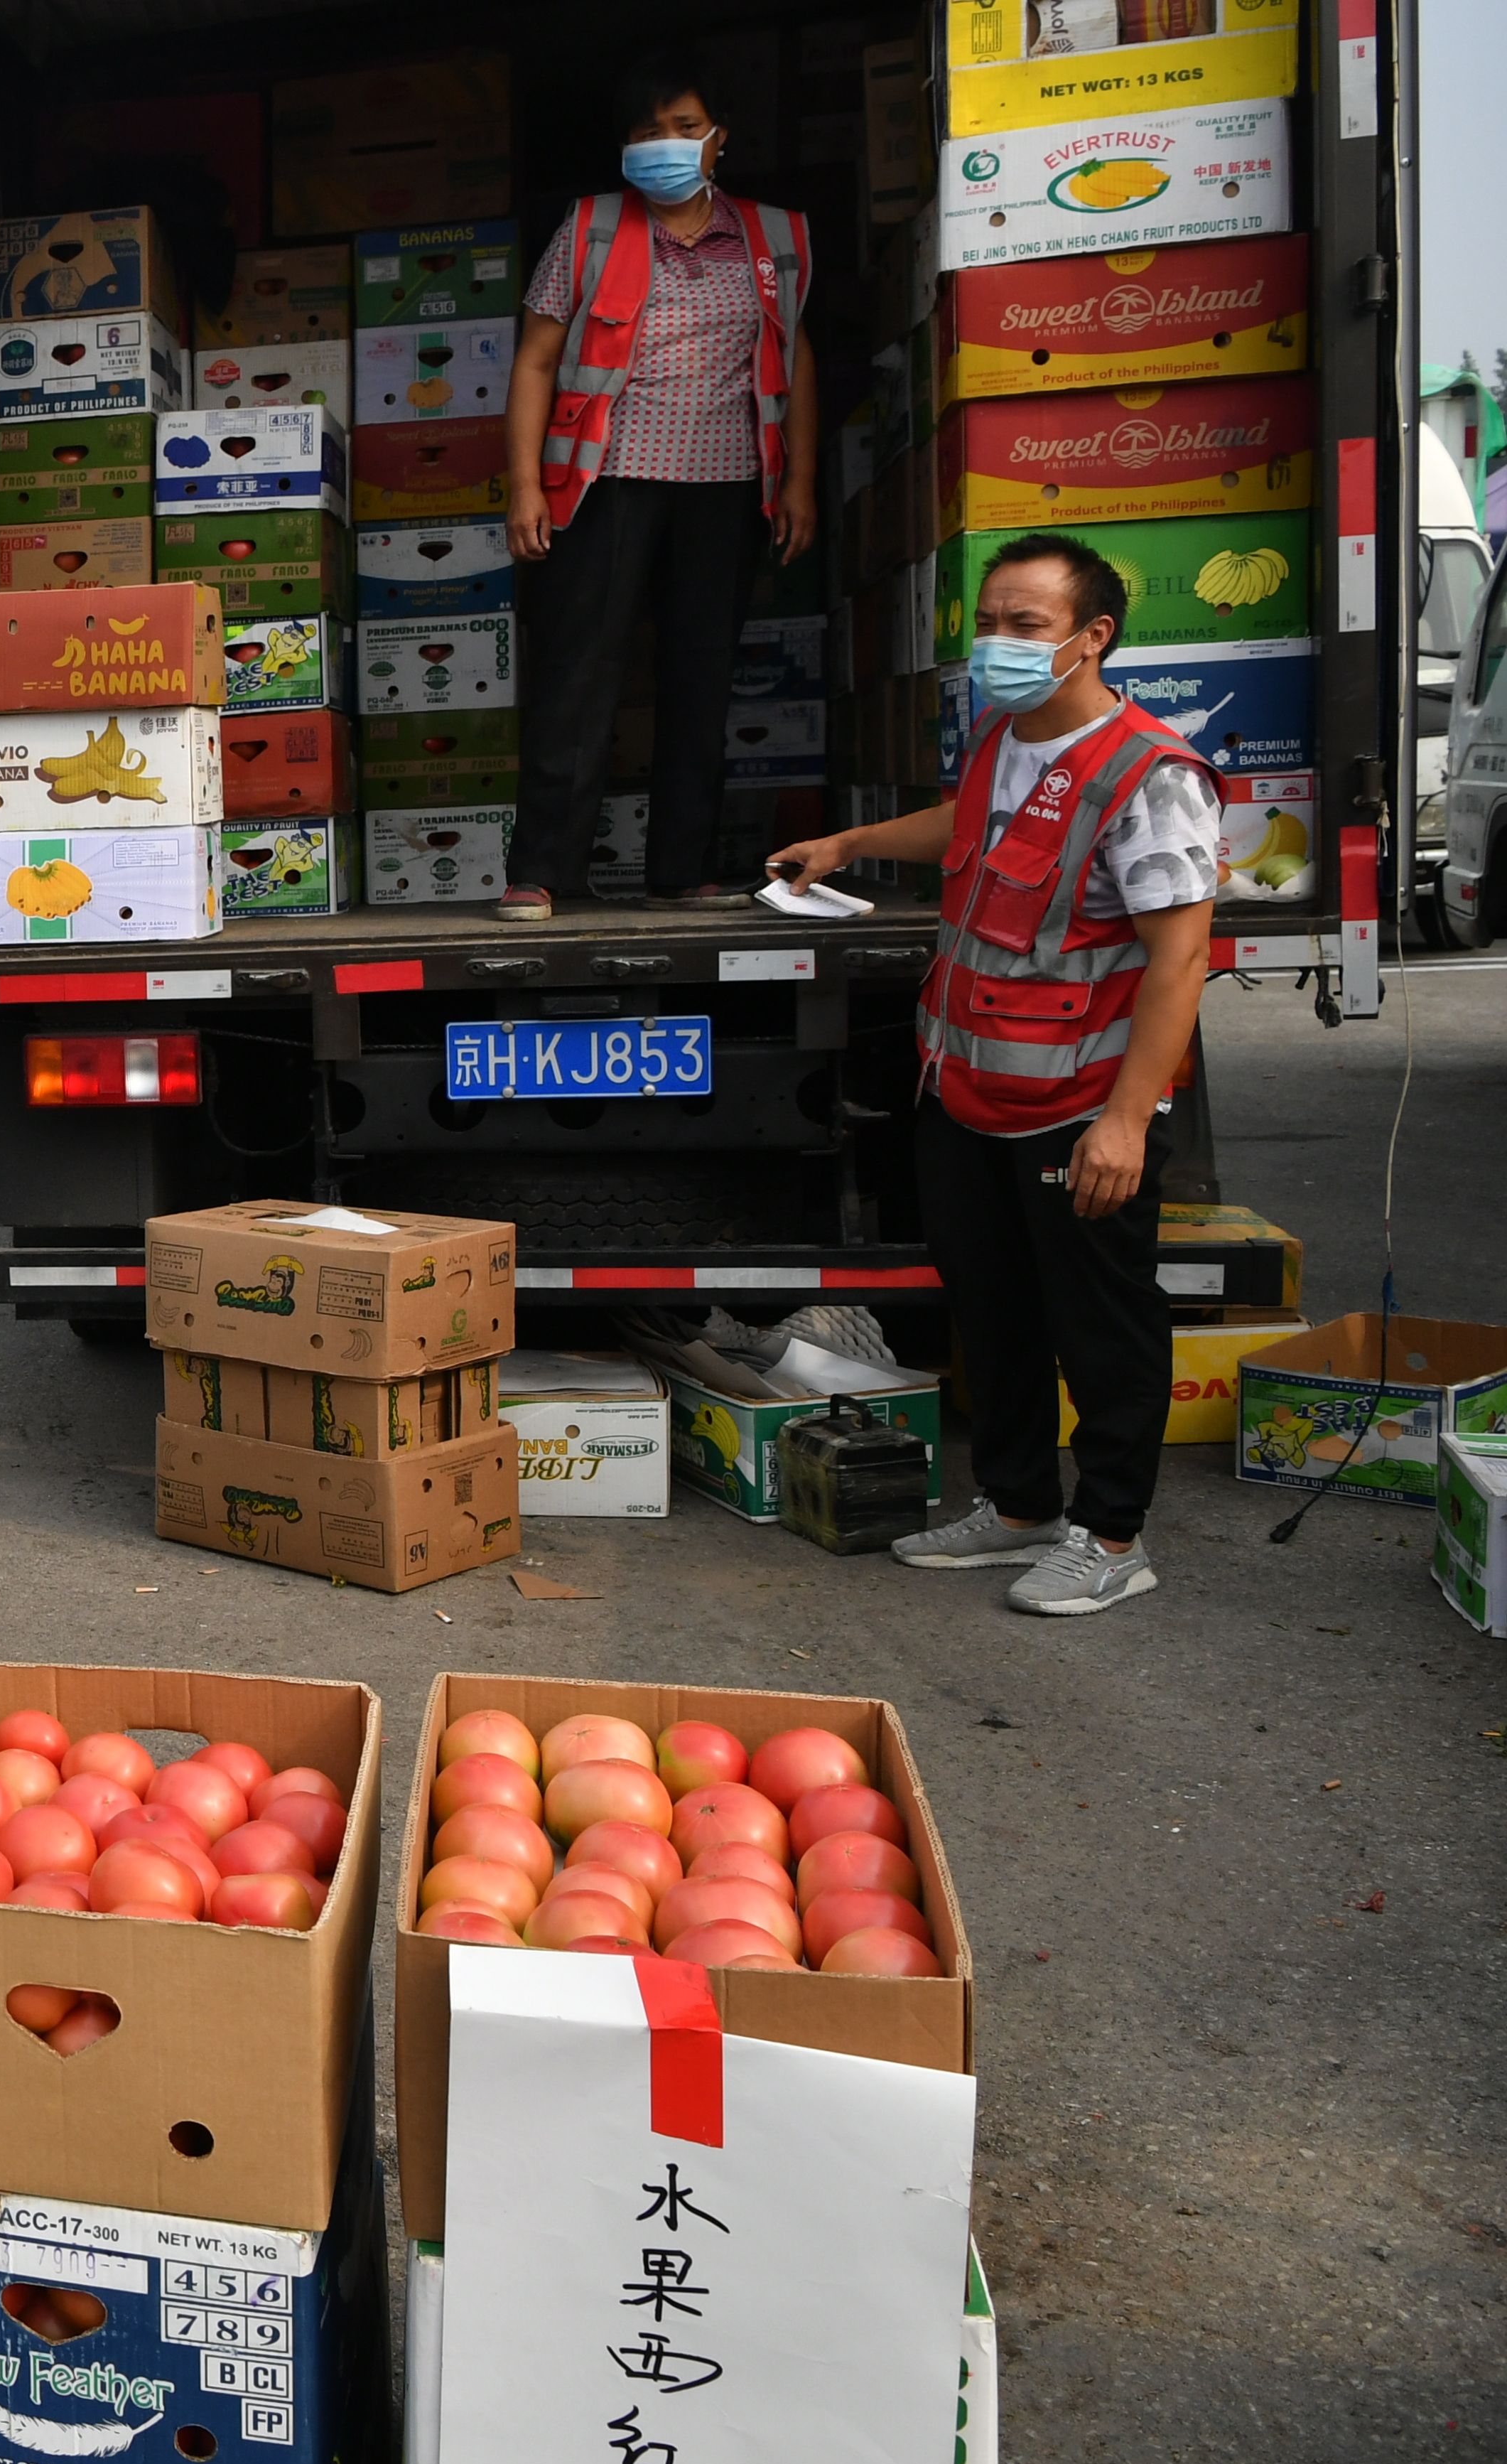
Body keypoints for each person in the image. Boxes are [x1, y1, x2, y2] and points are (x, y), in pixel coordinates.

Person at [769, 534, 1219, 1618]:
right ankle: (1017, 1503)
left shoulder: (1148, 773)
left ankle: (1111, 1533)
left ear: (1091, 637)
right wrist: (853, 841)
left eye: (1028, 625)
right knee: (993, 1307)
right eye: (993, 622)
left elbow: (1181, 957)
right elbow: (968, 830)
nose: (1000, 644)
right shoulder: (1004, 739)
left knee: (1100, 1321)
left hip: (1077, 1107)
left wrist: (1125, 1119)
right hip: (967, 1090)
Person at [500, 55, 819, 922]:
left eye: (684, 128)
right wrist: (525, 482)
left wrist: (801, 482)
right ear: (623, 147)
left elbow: (795, 358)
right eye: (647, 133)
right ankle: (542, 872)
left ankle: (682, 869)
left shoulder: (776, 237)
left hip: (725, 487)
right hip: (605, 482)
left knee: (701, 676)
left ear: (720, 140)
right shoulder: (592, 226)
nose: (666, 146)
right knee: (577, 673)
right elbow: (534, 359)